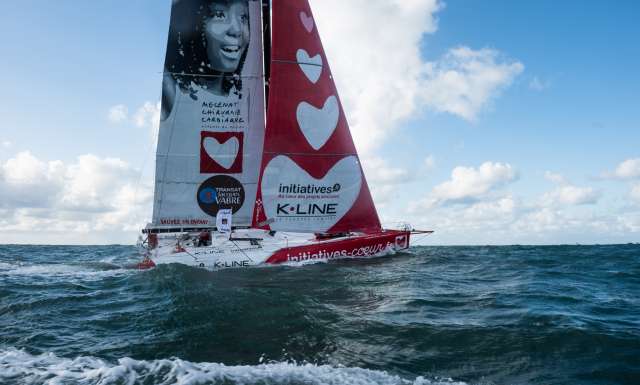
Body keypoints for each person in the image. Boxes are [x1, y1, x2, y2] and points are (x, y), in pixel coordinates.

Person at [162, 0, 251, 120]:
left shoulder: (249, 95)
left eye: (243, 17)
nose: (237, 30)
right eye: (219, 15)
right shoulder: (171, 90)